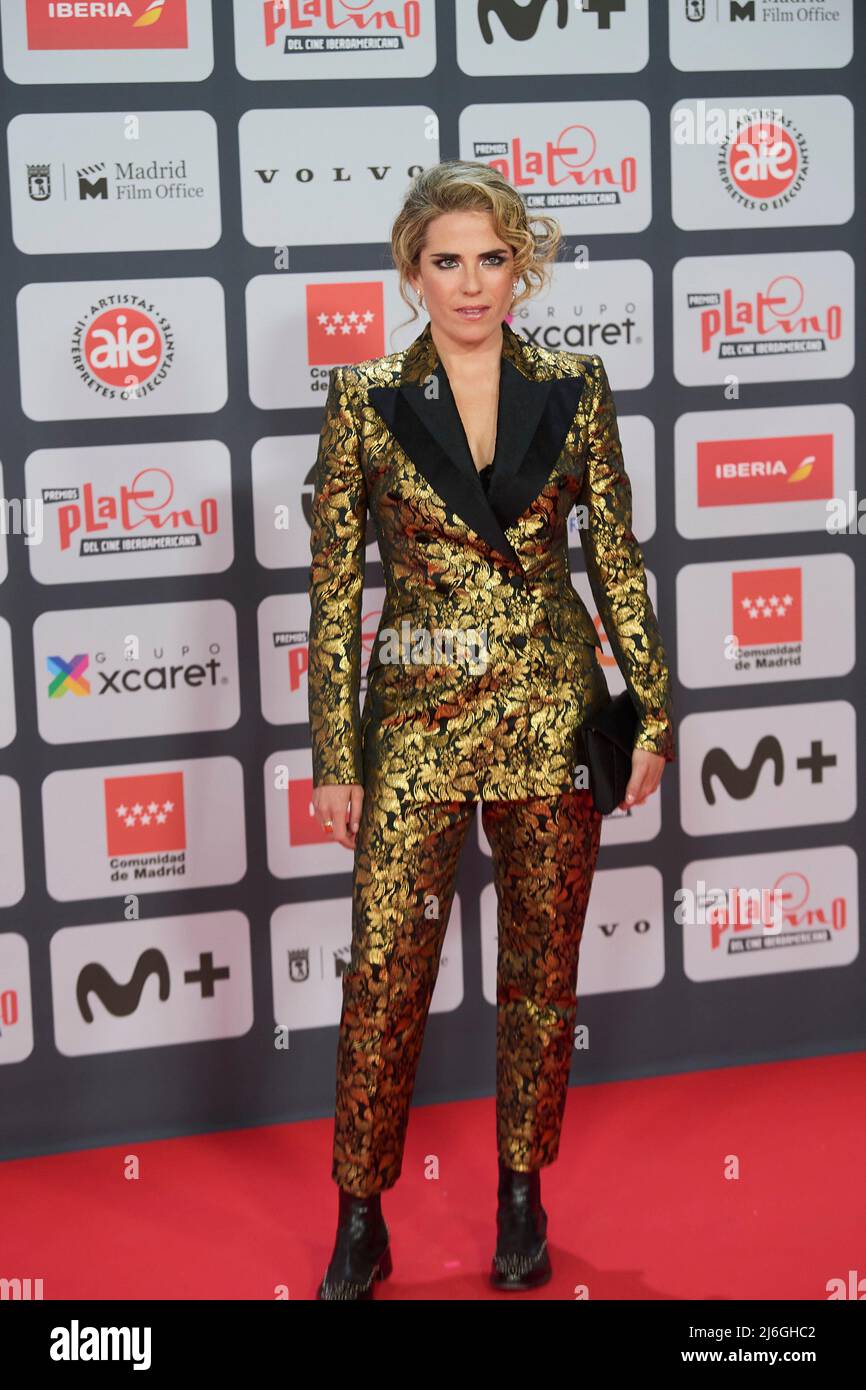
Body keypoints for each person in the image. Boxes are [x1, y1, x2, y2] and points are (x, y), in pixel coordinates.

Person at [307, 159, 675, 1299]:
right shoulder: (364, 395)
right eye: (445, 260)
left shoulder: (577, 383)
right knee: (382, 971)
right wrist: (336, 754)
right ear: (411, 270)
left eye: (492, 257)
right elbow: (330, 590)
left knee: (539, 970)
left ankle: (522, 1193)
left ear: (522, 264)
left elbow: (613, 557)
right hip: (414, 715)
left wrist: (651, 706)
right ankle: (360, 1216)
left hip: (553, 716)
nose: (470, 283)